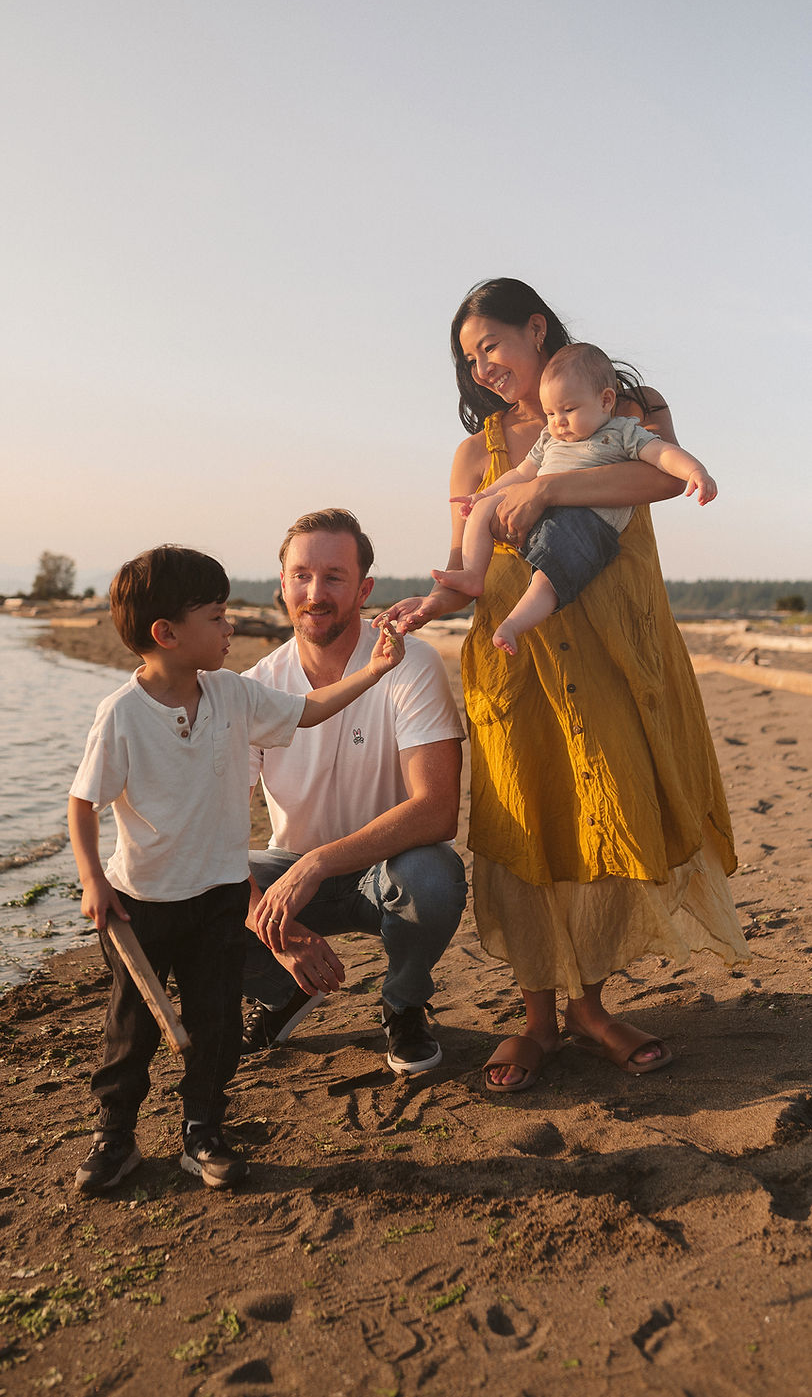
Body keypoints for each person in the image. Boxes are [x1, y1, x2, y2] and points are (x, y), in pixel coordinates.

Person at [379, 279, 747, 1091]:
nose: (481, 367)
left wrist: (546, 486)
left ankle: (590, 1008)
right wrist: (426, 604)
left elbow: (658, 481)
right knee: (530, 823)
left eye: (491, 345)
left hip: (614, 652)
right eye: (469, 359)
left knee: (598, 819)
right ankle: (538, 1019)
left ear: (536, 328)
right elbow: (468, 565)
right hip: (516, 659)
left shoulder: (628, 404)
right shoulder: (477, 451)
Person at [68, 543, 403, 1194]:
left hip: (219, 898)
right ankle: (115, 1138)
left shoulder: (232, 694)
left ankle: (203, 1132)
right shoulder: (123, 714)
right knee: (131, 1029)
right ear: (167, 633)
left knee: (216, 1024)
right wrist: (92, 880)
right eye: (217, 617)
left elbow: (309, 709)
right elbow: (83, 803)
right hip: (142, 906)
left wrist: (375, 671)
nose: (232, 627)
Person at [240, 509, 467, 1075]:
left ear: (364, 590)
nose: (315, 594)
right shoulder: (256, 688)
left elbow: (438, 810)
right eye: (301, 576)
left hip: (387, 872)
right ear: (282, 585)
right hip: (291, 874)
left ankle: (404, 1005)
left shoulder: (409, 663)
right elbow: (212, 831)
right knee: (178, 889)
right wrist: (270, 929)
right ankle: (284, 992)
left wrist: (318, 863)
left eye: (334, 577)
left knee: (434, 875)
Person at [432, 343, 718, 656]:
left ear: (605, 400)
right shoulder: (549, 438)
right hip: (537, 519)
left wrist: (696, 471)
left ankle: (513, 624)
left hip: (586, 526)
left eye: (568, 410)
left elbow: (662, 453)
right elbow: (522, 473)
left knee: (547, 580)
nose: (558, 421)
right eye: (551, 413)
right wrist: (484, 495)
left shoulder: (621, 433)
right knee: (484, 508)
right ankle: (474, 574)